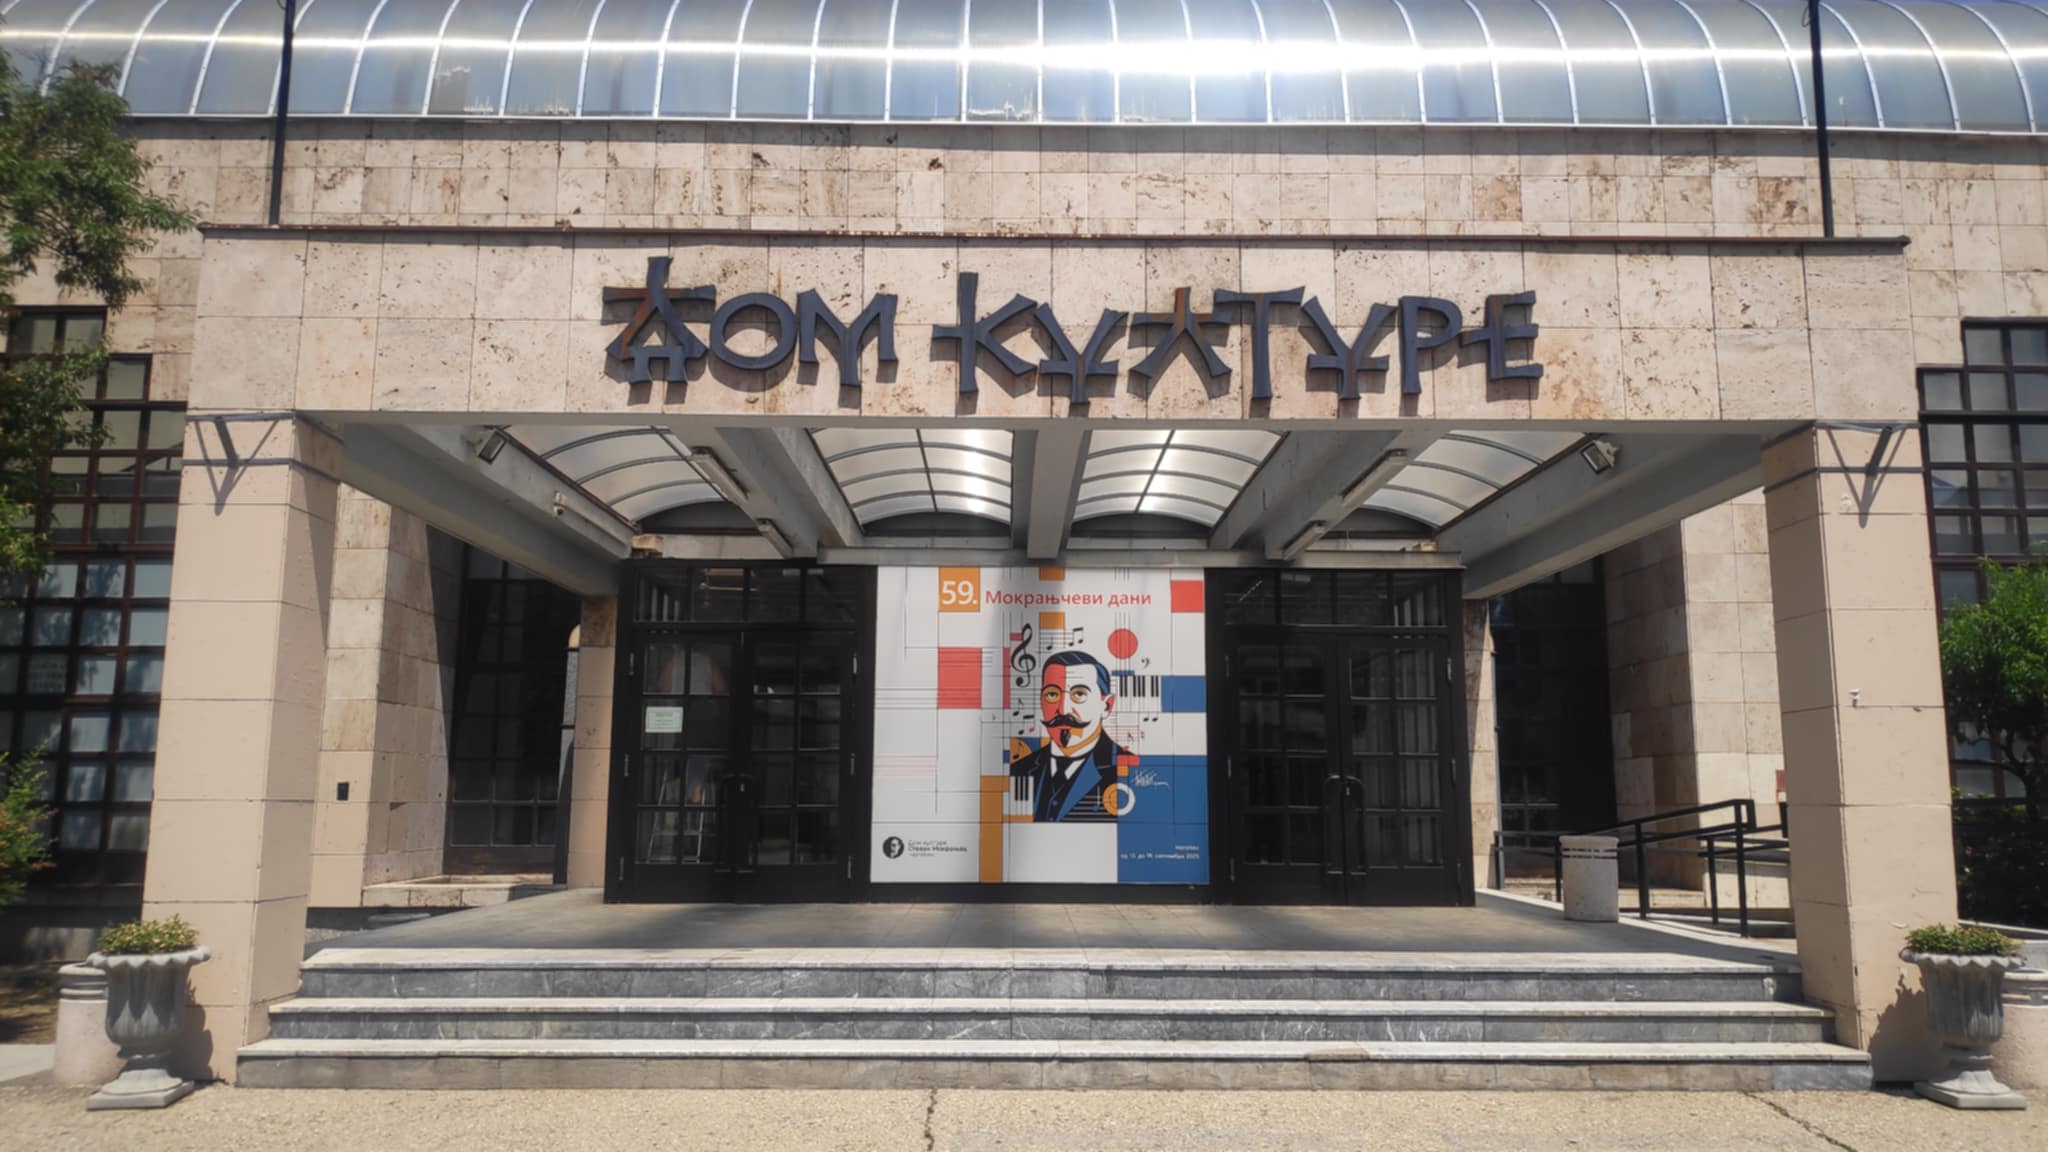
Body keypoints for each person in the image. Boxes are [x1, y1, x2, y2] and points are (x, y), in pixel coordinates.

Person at [1009, 650, 1129, 823]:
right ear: (1041, 701)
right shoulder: (1018, 770)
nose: (1064, 710)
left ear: (1106, 706)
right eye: (1052, 694)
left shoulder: (1128, 770)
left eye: (1079, 694)